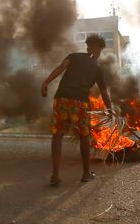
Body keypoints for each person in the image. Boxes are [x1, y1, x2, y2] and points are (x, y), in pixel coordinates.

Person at [41, 34, 113, 185]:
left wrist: (46, 82)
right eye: (99, 49)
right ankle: (86, 174)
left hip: (62, 99)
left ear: (87, 47)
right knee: (84, 136)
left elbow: (60, 68)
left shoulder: (73, 56)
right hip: (79, 103)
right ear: (99, 50)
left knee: (58, 135)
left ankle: (55, 175)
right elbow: (105, 93)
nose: (98, 52)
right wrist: (110, 109)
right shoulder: (97, 68)